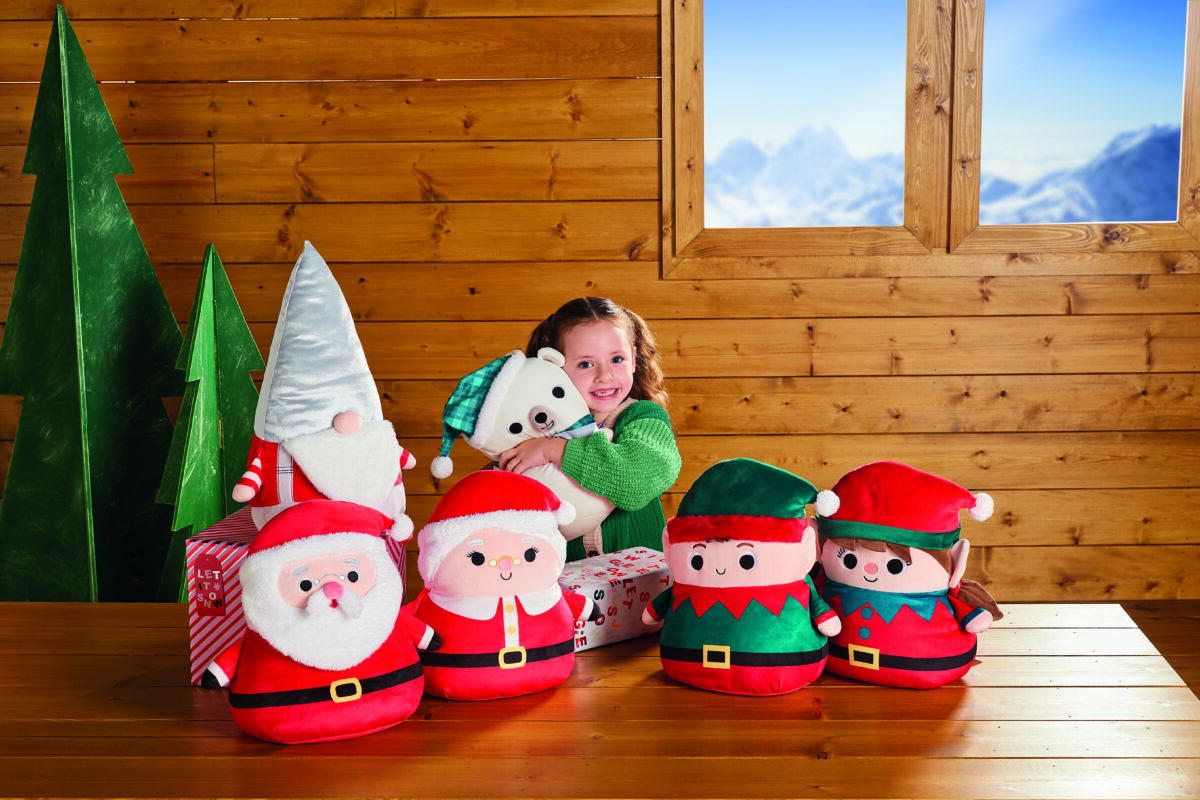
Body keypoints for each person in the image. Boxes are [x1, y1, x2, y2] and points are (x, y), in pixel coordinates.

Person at [497, 297, 681, 561]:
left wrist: (556, 450)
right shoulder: (536, 429)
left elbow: (636, 482)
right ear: (554, 368)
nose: (604, 375)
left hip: (641, 585)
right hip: (563, 589)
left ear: (634, 360)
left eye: (617, 359)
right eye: (586, 364)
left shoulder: (643, 417)